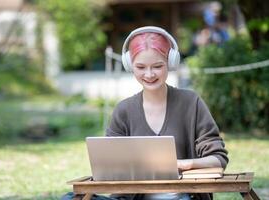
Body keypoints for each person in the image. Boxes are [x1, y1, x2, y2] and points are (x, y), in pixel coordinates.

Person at [62, 26, 228, 200]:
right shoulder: (123, 110)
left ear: (170, 62)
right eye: (140, 67)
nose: (149, 74)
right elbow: (110, 168)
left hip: (183, 198)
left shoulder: (190, 103)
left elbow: (218, 159)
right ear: (129, 65)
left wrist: (183, 164)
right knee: (70, 198)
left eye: (157, 66)